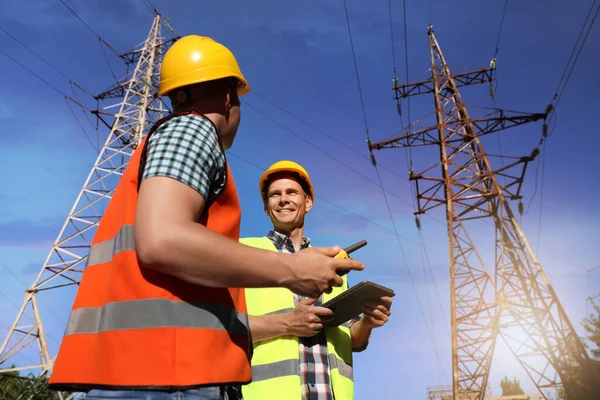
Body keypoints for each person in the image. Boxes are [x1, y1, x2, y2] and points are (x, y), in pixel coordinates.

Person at [47, 36, 363, 400]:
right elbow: (163, 239)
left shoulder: (167, 143)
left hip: (152, 371)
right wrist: (293, 271)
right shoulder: (192, 129)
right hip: (169, 376)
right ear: (229, 98)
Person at [239, 161, 393, 400]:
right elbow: (221, 327)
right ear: (266, 208)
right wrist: (287, 323)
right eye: (274, 195)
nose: (283, 199)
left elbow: (353, 339)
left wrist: (369, 322)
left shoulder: (329, 265)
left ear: (308, 202)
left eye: (291, 192)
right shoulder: (245, 253)